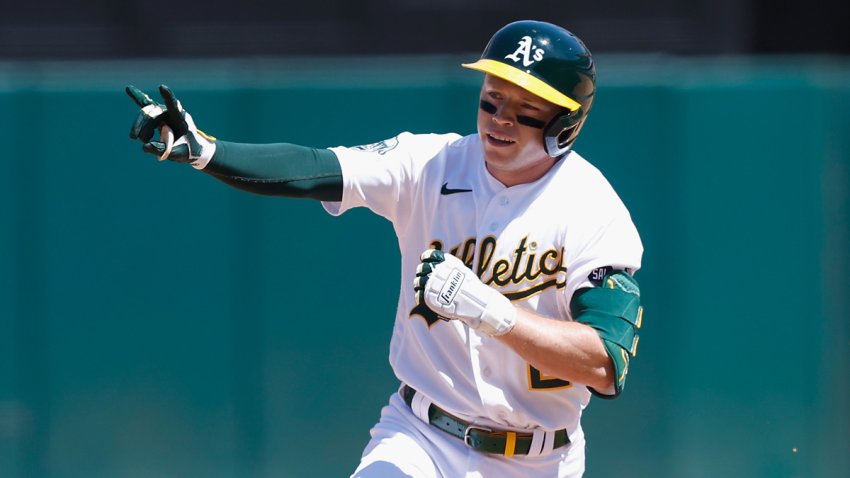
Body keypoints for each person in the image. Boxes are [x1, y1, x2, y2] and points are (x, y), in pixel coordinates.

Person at [126, 19, 644, 478]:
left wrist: (490, 311)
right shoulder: (430, 163)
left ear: (566, 125)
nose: (500, 118)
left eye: (526, 108)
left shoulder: (591, 208)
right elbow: (314, 169)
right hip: (424, 438)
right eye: (492, 98)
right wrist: (206, 151)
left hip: (541, 461)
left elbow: (605, 363)